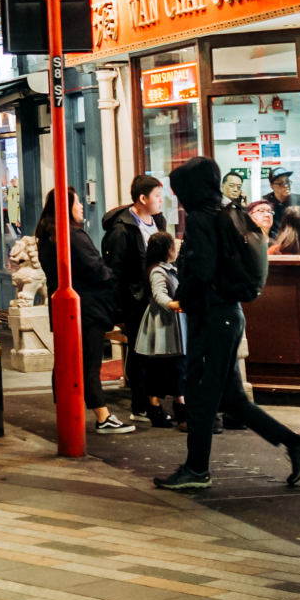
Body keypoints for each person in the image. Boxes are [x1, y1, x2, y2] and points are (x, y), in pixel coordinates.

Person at [156, 156, 300, 491]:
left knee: (200, 395)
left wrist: (183, 298)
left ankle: (197, 470)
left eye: (179, 189)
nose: (177, 196)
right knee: (230, 397)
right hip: (229, 313)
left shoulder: (201, 218)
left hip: (212, 316)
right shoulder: (226, 214)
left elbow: (201, 270)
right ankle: (295, 443)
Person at [36, 188, 133, 434]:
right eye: (77, 203)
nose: (81, 207)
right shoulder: (71, 235)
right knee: (89, 364)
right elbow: (96, 269)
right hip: (87, 308)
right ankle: (103, 416)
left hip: (65, 308)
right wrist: (113, 275)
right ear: (66, 207)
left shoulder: (48, 236)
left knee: (66, 361)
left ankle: (66, 411)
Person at [101, 174, 167, 419]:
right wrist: (117, 311)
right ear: (142, 198)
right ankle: (140, 404)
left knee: (156, 353)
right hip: (136, 300)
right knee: (140, 354)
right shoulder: (123, 228)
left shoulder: (158, 221)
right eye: (157, 196)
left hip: (157, 298)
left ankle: (154, 400)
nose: (162, 201)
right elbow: (115, 272)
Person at [133, 231, 186, 428]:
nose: (177, 248)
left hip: (172, 323)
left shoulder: (169, 268)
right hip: (162, 324)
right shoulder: (157, 271)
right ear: (167, 250)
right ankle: (159, 408)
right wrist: (174, 304)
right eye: (174, 245)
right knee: (162, 367)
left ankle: (174, 406)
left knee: (175, 365)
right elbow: (159, 294)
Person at [262, 170, 300, 241]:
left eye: (287, 182)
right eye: (280, 183)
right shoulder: (265, 201)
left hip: (296, 242)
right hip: (272, 243)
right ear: (272, 186)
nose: (286, 185)